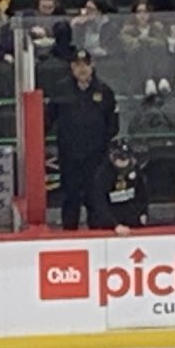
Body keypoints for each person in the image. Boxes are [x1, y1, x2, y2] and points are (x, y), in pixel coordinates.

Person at [51, 51, 118, 230]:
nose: (82, 69)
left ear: (92, 66)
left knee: (94, 198)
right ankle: (69, 238)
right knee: (70, 198)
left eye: (85, 65)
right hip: (69, 157)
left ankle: (95, 238)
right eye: (78, 65)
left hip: (95, 157)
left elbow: (113, 124)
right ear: (72, 67)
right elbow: (49, 119)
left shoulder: (104, 91)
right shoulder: (60, 89)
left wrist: (102, 146)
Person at [87, 138, 147, 231]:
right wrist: (114, 224)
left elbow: (142, 194)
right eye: (120, 158)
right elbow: (99, 203)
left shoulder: (135, 170)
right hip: (109, 224)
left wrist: (143, 212)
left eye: (126, 158)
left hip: (132, 221)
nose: (123, 162)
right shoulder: (103, 174)